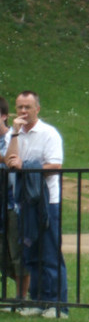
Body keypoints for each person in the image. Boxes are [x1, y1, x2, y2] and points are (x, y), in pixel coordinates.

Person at [4, 91, 67, 319]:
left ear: (37, 109)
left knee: (49, 252)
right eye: (19, 107)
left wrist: (26, 167)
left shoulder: (49, 134)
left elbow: (55, 165)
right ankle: (38, 300)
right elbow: (10, 162)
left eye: (27, 107)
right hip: (24, 203)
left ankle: (56, 304)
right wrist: (13, 134)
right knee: (31, 253)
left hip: (47, 201)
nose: (23, 112)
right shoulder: (15, 135)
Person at [0, 96, 27, 302]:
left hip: (12, 203)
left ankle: (21, 297)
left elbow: (10, 160)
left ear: (3, 116)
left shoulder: (13, 137)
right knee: (3, 254)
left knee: (16, 251)